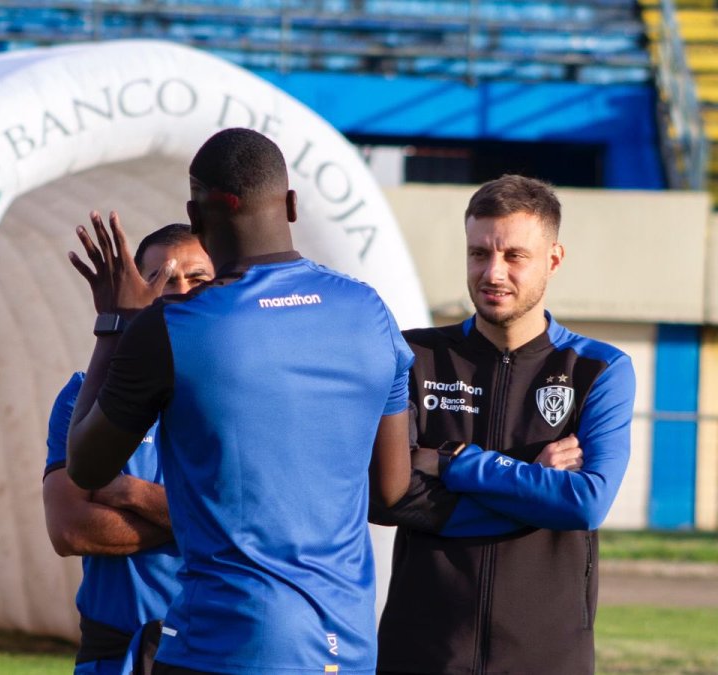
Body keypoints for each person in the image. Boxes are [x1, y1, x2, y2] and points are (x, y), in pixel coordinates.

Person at [65, 128, 414, 674]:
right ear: (292, 205)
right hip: (346, 645)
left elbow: (85, 465)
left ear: (195, 215)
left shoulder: (170, 329)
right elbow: (391, 492)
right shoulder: (370, 312)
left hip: (225, 643)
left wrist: (117, 324)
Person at [371, 175, 636, 675]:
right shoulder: (413, 356)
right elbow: (384, 496)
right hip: (422, 651)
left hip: (546, 657)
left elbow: (586, 502)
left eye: (514, 255)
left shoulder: (598, 369)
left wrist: (455, 461)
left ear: (553, 260)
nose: (493, 272)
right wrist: (532, 488)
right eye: (478, 254)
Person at [45, 223, 214, 675]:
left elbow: (261, 520)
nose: (179, 290)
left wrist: (128, 493)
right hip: (115, 651)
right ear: (139, 293)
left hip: (216, 645)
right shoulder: (83, 395)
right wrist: (207, 523)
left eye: (197, 278)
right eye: (159, 279)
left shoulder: (242, 395)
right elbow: (71, 530)